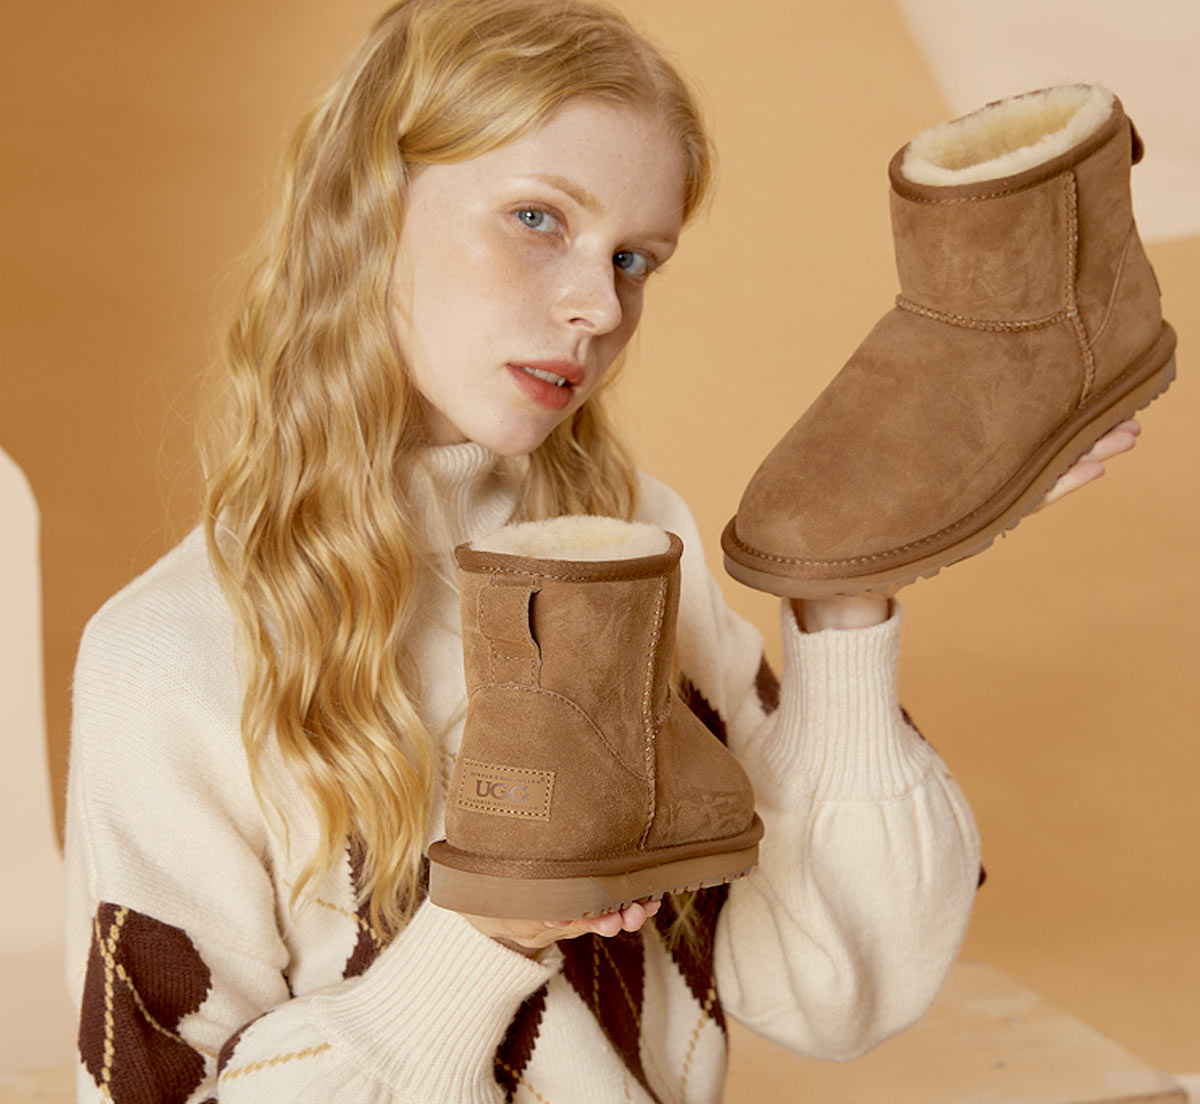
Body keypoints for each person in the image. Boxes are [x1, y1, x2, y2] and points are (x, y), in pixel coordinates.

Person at [63, 1, 1141, 1101]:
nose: (596, 307)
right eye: (537, 218)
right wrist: (481, 936)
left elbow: (830, 988)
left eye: (634, 257)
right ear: (366, 208)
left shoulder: (635, 550)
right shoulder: (170, 659)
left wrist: (848, 594)